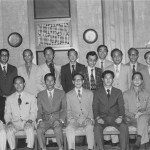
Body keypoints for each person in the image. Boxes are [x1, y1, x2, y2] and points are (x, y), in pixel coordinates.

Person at [93, 70, 129, 150]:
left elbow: (121, 106)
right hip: (102, 118)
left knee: (124, 126)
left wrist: (120, 117)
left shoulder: (118, 92)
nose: (108, 80)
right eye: (106, 78)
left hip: (115, 117)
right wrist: (98, 118)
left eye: (110, 78)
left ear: (113, 79)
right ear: (102, 79)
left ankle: (123, 148)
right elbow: (95, 107)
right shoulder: (97, 92)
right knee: (96, 128)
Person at [4, 76, 37, 150]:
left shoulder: (31, 97)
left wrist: (30, 121)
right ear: (13, 85)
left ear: (24, 84)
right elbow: (7, 113)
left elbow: (34, 111)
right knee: (9, 130)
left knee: (29, 129)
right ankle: (13, 148)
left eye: (20, 83)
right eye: (16, 83)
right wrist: (9, 122)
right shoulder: (9, 98)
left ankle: (30, 148)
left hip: (27, 121)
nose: (18, 85)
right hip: (15, 122)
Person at [37, 73, 66, 150]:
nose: (50, 82)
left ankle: (60, 148)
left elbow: (64, 109)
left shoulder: (61, 93)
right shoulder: (40, 94)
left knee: (58, 129)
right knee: (39, 129)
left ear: (55, 82)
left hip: (57, 119)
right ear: (44, 82)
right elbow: (39, 110)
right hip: (45, 120)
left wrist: (60, 120)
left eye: (52, 80)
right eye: (47, 80)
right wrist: (40, 120)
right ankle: (43, 148)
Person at [66, 73, 94, 150]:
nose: (77, 81)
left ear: (83, 81)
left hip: (86, 118)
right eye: (75, 80)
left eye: (80, 80)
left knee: (90, 127)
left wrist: (90, 118)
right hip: (75, 119)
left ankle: (90, 148)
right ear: (72, 82)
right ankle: (71, 148)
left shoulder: (89, 93)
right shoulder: (68, 94)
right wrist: (71, 119)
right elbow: (68, 110)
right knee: (69, 128)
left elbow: (91, 108)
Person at [124, 72, 150, 150]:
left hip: (145, 117)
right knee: (143, 123)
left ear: (142, 81)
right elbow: (124, 109)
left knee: (142, 118)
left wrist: (142, 113)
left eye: (139, 79)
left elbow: (149, 108)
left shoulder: (148, 94)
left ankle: (138, 140)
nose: (137, 80)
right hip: (132, 119)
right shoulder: (125, 94)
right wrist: (133, 115)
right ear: (132, 81)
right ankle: (142, 145)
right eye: (135, 78)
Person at [0, 48, 17, 123]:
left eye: (6, 55)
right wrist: (2, 94)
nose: (4, 56)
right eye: (2, 55)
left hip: (11, 97)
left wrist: (10, 95)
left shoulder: (13, 68)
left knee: (11, 117)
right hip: (0, 97)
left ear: (8, 56)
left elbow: (15, 83)